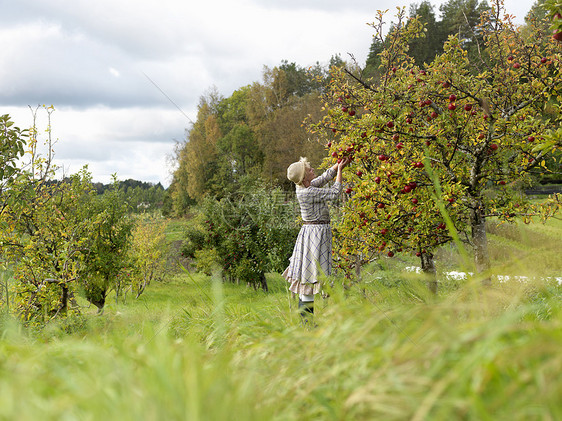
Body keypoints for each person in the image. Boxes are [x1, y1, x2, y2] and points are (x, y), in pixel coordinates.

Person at [283, 156, 351, 323]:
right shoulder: (308, 192)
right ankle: (306, 320)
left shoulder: (304, 186)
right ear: (305, 178)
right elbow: (335, 193)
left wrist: (337, 166)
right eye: (309, 170)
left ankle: (306, 320)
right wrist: (340, 171)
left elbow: (323, 178)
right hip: (315, 235)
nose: (313, 170)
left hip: (314, 232)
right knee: (307, 277)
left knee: (308, 276)